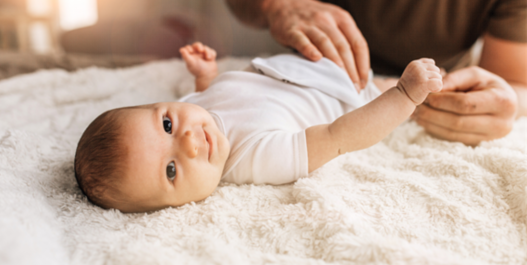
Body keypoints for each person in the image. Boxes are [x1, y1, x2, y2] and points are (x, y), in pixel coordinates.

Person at [74, 42, 442, 213]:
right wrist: (404, 95)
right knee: (435, 87)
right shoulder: (254, 158)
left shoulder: (193, 109)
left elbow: (214, 97)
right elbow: (339, 136)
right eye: (171, 170)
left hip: (314, 61)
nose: (187, 142)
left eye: (167, 124)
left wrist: (207, 76)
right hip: (351, 94)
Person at [225, 0, 527, 146]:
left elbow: (514, 83)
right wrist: (277, 2)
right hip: (312, 82)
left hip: (428, 109)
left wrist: (506, 105)